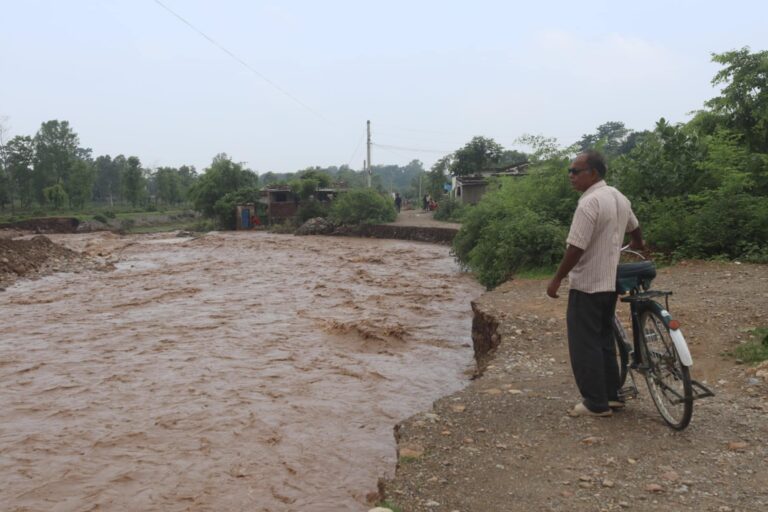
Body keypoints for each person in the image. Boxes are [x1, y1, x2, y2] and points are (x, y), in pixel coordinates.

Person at [546, 150, 644, 418]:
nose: (571, 176)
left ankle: (595, 403)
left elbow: (576, 246)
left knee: (584, 343)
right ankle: (612, 396)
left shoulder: (589, 203)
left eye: (576, 171)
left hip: (588, 283)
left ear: (594, 173)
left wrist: (556, 279)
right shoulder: (618, 197)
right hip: (609, 282)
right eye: (570, 171)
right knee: (602, 339)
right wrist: (637, 243)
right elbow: (635, 227)